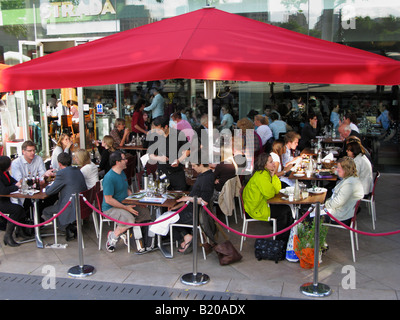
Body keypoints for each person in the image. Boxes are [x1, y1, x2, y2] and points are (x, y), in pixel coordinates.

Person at [102, 151, 151, 253]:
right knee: (129, 219)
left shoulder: (122, 173)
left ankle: (135, 237)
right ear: (117, 162)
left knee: (145, 213)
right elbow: (108, 200)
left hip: (125, 204)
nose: (126, 161)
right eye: (124, 159)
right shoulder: (109, 178)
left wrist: (136, 201)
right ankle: (113, 237)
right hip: (111, 208)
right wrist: (126, 208)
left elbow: (127, 189)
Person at [242, 153, 293, 242]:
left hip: (262, 204)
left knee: (287, 209)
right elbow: (270, 194)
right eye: (271, 162)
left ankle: (287, 239)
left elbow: (277, 190)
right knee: (284, 212)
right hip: (256, 209)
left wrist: (273, 176)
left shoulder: (266, 174)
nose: (274, 164)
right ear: (264, 165)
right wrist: (273, 181)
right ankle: (280, 241)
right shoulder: (261, 176)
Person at [168, 160, 215, 254]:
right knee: (168, 214)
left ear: (201, 164)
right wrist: (178, 205)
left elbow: (204, 201)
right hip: (193, 210)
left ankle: (186, 237)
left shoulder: (206, 178)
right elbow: (192, 197)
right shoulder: (205, 175)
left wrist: (186, 198)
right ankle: (186, 236)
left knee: (167, 219)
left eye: (194, 165)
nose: (192, 168)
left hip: (194, 213)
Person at [42, 153, 88, 241]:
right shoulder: (77, 170)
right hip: (81, 204)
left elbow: (49, 191)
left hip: (70, 205)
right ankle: (68, 226)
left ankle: (65, 227)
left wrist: (47, 186)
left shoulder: (61, 173)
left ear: (59, 164)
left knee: (46, 211)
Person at [147, 116, 188, 191]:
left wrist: (179, 160)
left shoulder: (179, 134)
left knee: (181, 195)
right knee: (162, 196)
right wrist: (159, 158)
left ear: (165, 127)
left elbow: (188, 150)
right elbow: (150, 154)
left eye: (159, 130)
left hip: (177, 172)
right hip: (162, 172)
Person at [323, 157, 364, 225]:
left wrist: (325, 204)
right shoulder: (351, 179)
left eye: (339, 168)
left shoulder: (349, 184)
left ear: (346, 170)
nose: (337, 169)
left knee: (309, 217)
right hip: (344, 211)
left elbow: (337, 202)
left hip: (341, 216)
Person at [0, 156, 26, 246]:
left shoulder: (5, 173)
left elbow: (12, 181)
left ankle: (20, 230)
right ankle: (8, 235)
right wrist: (16, 186)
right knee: (17, 209)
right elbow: (2, 190)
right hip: (1, 202)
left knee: (23, 207)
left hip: (5, 200)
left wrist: (19, 183)